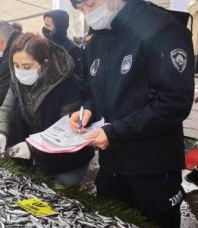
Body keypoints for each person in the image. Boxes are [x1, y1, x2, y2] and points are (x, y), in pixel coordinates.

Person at [69, 0, 195, 227]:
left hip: (153, 167)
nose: (88, 13)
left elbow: (174, 102)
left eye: (90, 3)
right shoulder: (97, 37)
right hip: (111, 164)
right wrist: (87, 109)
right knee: (109, 220)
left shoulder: (161, 29)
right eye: (80, 9)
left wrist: (115, 132)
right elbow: (92, 88)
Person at [0, 33, 94, 186]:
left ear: (44, 63)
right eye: (16, 65)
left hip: (67, 158)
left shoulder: (67, 85)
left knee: (63, 194)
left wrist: (32, 147)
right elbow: (6, 108)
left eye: (27, 67)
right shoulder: (17, 82)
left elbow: (65, 130)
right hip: (38, 156)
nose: (20, 71)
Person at [42, 9, 83, 87]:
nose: (45, 28)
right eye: (45, 24)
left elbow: (78, 76)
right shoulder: (46, 44)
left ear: (59, 26)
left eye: (48, 25)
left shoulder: (72, 49)